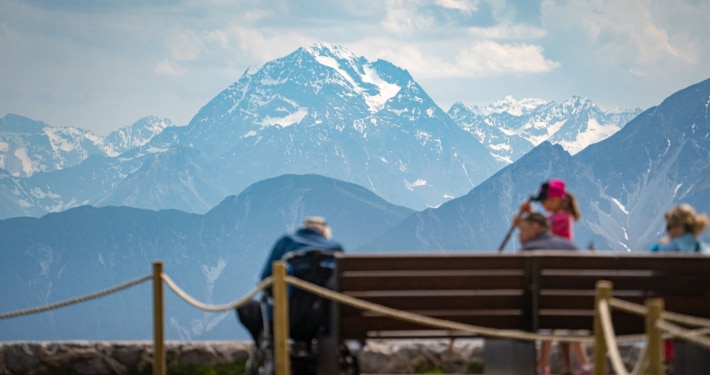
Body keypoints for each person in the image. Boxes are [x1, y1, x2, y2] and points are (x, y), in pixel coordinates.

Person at [516, 179, 591, 375]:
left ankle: (544, 365)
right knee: (565, 327)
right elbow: (543, 226)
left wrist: (528, 217)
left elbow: (543, 230)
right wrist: (529, 216)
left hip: (554, 279)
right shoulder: (564, 217)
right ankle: (572, 366)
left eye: (545, 200)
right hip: (562, 279)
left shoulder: (561, 219)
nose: (543, 203)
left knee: (552, 323)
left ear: (557, 199)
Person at [650, 204, 709, 372]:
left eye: (669, 227)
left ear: (679, 227)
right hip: (703, 320)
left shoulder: (660, 250)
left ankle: (669, 364)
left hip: (668, 317)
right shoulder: (706, 252)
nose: (667, 231)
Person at [260, 216, 344, 281]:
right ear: (326, 231)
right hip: (330, 300)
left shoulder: (287, 241)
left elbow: (266, 276)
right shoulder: (335, 247)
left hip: (289, 300)